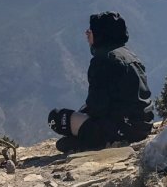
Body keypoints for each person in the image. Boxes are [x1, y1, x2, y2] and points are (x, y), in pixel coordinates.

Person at [48, 11, 154, 152]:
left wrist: (86, 116)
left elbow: (98, 106)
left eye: (91, 31)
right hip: (142, 125)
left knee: (56, 118)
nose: (87, 33)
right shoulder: (129, 55)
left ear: (100, 34)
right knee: (75, 127)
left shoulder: (103, 60)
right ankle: (91, 139)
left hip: (121, 129)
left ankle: (101, 143)